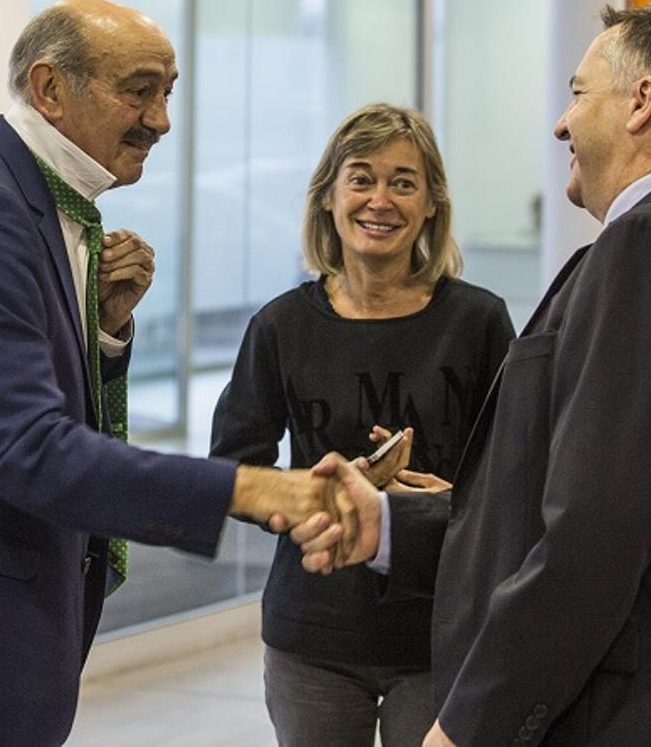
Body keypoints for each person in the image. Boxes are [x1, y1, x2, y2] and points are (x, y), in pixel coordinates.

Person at [0, 0, 347, 746]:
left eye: (169, 91)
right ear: (51, 89)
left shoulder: (29, 198)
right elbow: (25, 450)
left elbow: (24, 395)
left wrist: (107, 333)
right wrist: (251, 487)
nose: (161, 120)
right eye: (140, 89)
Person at [292, 0, 651, 746]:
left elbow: (594, 536)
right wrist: (390, 525)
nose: (561, 123)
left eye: (579, 92)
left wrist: (472, 723)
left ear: (642, 102)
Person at [211, 103, 515, 746]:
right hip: (313, 632)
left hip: (441, 628)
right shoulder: (280, 327)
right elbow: (232, 470)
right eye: (361, 178)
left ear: (431, 204)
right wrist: (320, 496)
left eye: (404, 182)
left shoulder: (480, 323)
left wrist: (447, 500)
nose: (381, 200)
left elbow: (516, 473)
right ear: (328, 197)